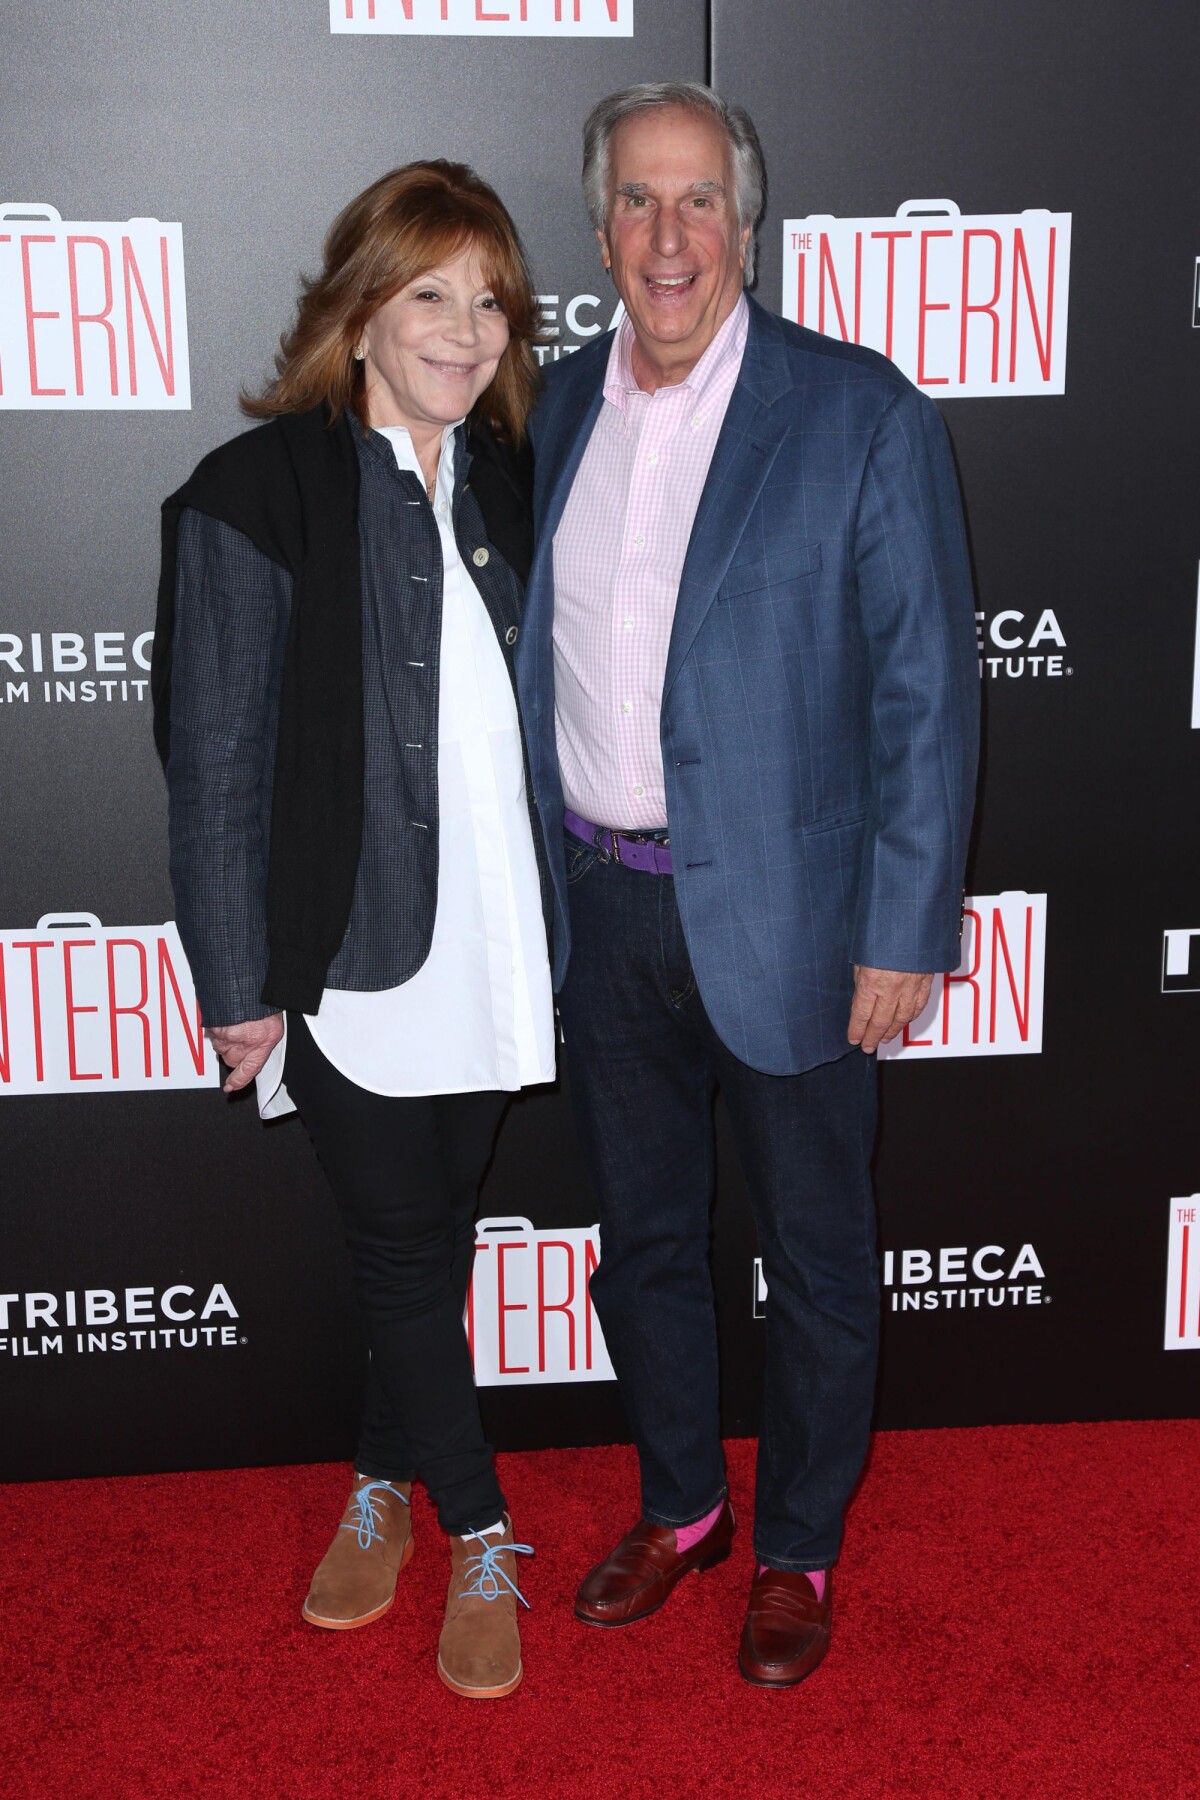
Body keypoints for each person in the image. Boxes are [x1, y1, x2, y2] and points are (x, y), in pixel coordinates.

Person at [515, 83, 979, 1687]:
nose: (668, 236)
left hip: (793, 925)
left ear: (749, 224)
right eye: (638, 202)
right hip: (602, 904)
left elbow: (926, 687)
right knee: (639, 1244)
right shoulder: (555, 408)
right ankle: (682, 1507)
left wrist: (905, 929)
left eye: (699, 200)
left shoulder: (855, 412)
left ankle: (798, 1549)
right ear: (599, 229)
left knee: (821, 1258)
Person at [152, 162, 553, 1700]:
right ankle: (478, 1529)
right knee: (399, 1254)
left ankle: (379, 1483)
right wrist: (239, 983)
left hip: (502, 941)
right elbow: (216, 761)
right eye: (430, 293)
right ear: (359, 308)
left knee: (430, 1245)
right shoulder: (254, 493)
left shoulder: (510, 474)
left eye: (491, 298)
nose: (466, 328)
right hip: (345, 955)